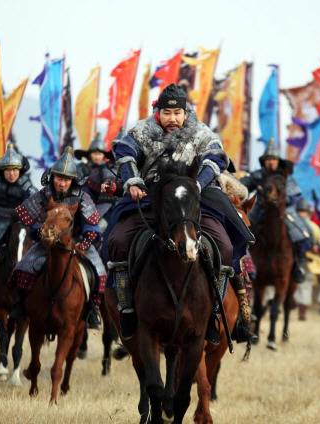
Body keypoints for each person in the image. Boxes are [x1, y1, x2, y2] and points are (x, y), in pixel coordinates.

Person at [106, 84, 255, 343]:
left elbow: (215, 158)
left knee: (226, 247)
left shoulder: (201, 132)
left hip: (196, 195)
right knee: (117, 242)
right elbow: (124, 152)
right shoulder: (141, 130)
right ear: (158, 112)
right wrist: (132, 182)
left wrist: (198, 183)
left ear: (186, 113)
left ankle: (214, 313)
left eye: (177, 112)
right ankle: (127, 308)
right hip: (152, 195)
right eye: (167, 112)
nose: (172, 118)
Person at [9, 147, 105, 328]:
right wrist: (40, 232)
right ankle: (20, 305)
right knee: (23, 267)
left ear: (72, 181)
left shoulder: (82, 197)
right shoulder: (43, 195)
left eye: (66, 180)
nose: (62, 183)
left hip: (77, 242)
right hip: (47, 243)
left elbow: (92, 224)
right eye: (59, 178)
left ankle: (92, 310)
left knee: (99, 272)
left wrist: (84, 243)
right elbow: (25, 218)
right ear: (52, 177)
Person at [240, 140, 310, 285]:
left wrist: (283, 201)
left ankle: (299, 265)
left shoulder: (285, 176)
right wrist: (235, 184)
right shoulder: (258, 175)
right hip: (260, 211)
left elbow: (296, 195)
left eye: (273, 159)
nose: (270, 162)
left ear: (278, 161)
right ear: (264, 161)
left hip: (284, 212)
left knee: (304, 234)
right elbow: (244, 185)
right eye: (268, 159)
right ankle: (244, 266)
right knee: (242, 234)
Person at [0, 144, 37, 251]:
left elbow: (32, 205)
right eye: (8, 170)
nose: (11, 174)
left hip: (19, 221)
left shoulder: (25, 184)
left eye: (15, 169)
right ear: (3, 170)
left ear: (20, 170)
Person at [74, 133, 119, 232]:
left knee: (95, 230)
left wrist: (93, 216)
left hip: (102, 206)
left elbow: (108, 183)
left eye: (99, 154)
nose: (97, 156)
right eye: (94, 153)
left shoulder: (106, 169)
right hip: (79, 204)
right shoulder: (81, 167)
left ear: (104, 155)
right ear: (90, 154)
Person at [294, 199, 320, 320]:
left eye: (303, 211)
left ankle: (302, 310)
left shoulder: (314, 228)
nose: (302, 214)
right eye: (300, 211)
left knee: (305, 284)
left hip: (308, 259)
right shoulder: (292, 225)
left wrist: (316, 247)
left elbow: (319, 244)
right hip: (294, 258)